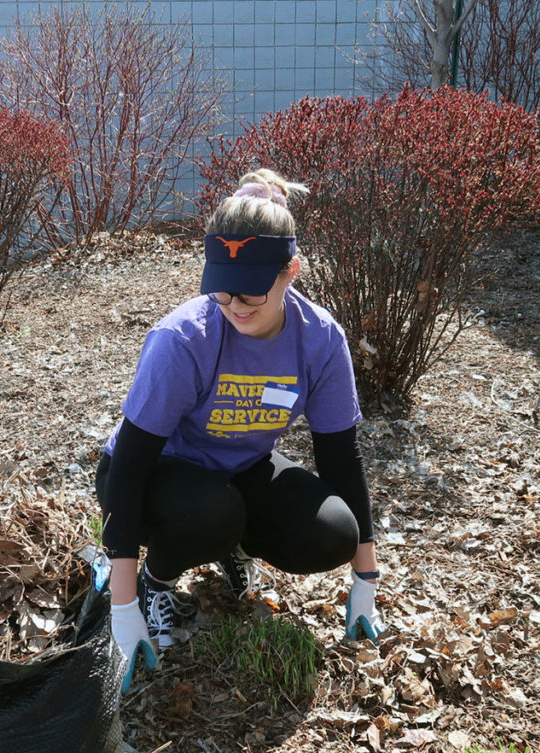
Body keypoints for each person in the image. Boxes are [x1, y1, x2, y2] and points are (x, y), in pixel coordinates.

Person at [95, 169, 386, 693]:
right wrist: (122, 603)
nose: (235, 308)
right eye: (222, 293)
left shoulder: (319, 339)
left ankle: (228, 542)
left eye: (251, 295)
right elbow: (132, 463)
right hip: (154, 476)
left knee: (332, 533)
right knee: (211, 513)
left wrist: (365, 577)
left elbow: (341, 457)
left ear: (290, 271)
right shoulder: (182, 339)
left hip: (238, 467)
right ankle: (156, 581)